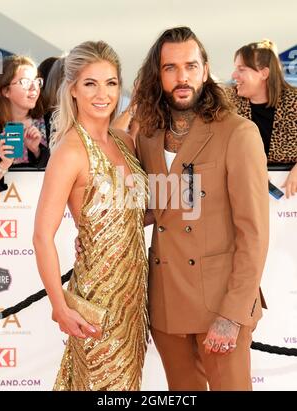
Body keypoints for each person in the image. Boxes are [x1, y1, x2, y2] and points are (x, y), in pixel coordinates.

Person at [132, 26, 269, 391]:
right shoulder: (146, 136)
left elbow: (253, 233)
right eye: (170, 68)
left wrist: (233, 313)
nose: (182, 78)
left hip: (220, 305)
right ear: (156, 75)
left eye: (191, 66)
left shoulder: (237, 133)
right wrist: (99, 235)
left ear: (205, 70)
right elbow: (153, 208)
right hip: (166, 302)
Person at [33, 40, 149, 391]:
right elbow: (41, 236)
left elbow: (135, 215)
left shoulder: (125, 141)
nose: (103, 94)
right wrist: (59, 306)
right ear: (73, 90)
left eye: (111, 83)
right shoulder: (70, 150)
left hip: (134, 295)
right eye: (90, 83)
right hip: (96, 299)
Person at [226, 39, 297, 198]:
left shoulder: (294, 102)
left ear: (264, 73)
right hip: (243, 198)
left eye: (241, 69)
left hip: (289, 205)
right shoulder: (226, 105)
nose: (234, 75)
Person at [0, 55, 49, 193]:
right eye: (25, 82)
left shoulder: (49, 122)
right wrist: (3, 165)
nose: (34, 87)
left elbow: (60, 170)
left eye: (37, 81)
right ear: (6, 91)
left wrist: (36, 151)